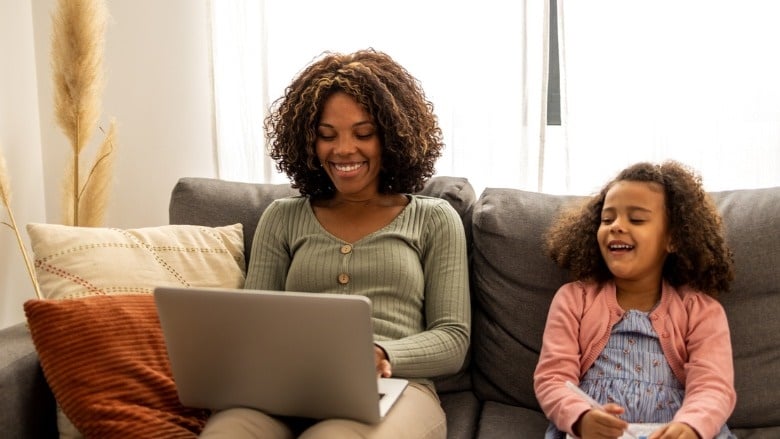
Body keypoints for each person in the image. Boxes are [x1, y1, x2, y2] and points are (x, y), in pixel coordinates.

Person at [199, 48, 470, 439]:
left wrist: (382, 355)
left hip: (395, 391)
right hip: (289, 391)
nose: (343, 150)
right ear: (308, 142)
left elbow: (453, 339)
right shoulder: (282, 218)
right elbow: (254, 328)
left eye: (364, 134)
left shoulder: (433, 219)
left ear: (393, 137)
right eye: (327, 135)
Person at [533, 161, 737, 439]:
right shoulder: (573, 299)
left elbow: (713, 386)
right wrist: (581, 418)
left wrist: (690, 427)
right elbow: (553, 378)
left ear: (673, 239)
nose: (616, 226)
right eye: (607, 219)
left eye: (637, 219)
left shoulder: (701, 311)